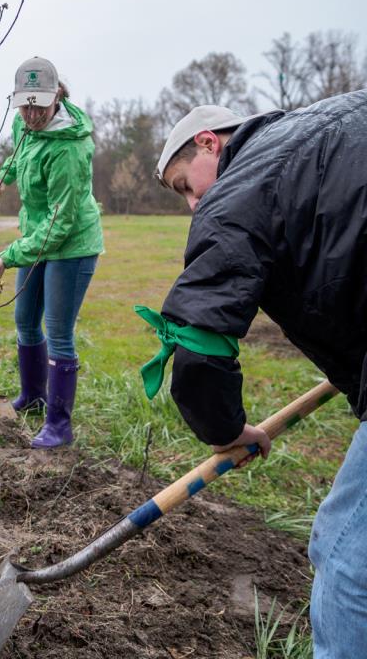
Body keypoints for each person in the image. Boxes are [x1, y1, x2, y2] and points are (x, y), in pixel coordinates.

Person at [141, 89, 367, 657]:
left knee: (345, 557)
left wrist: (225, 431)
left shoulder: (242, 187)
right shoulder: (340, 118)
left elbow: (198, 348)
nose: (194, 206)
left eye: (185, 188)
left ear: (209, 143)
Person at [0, 57, 104, 449]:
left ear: (57, 97)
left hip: (71, 245)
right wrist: (4, 173)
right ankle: (33, 395)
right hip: (37, 236)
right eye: (25, 105)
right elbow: (20, 154)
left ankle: (58, 424)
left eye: (39, 105)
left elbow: (59, 224)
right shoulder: (24, 123)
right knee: (24, 319)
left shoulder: (70, 150)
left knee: (57, 331)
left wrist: (9, 255)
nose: (32, 114)